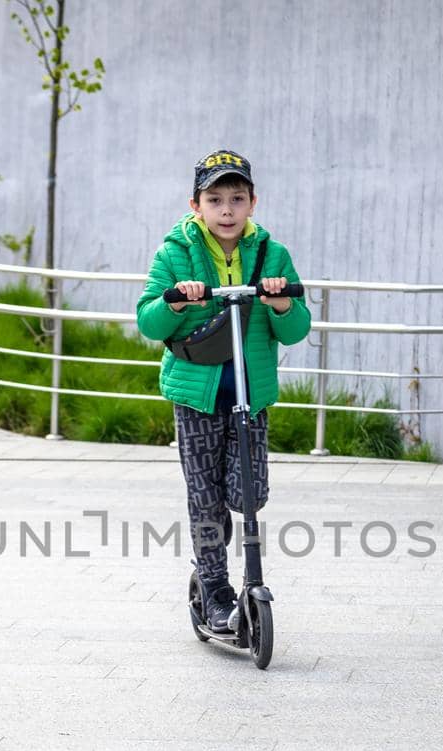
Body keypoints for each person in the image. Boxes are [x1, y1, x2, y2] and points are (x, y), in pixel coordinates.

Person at [136, 149, 311, 630]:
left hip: (249, 396)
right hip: (196, 395)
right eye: (215, 199)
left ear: (253, 202)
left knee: (248, 492)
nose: (227, 210)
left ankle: (231, 565)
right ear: (196, 205)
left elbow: (296, 329)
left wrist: (279, 303)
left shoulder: (271, 254)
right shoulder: (175, 252)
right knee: (205, 496)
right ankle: (214, 584)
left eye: (237, 198)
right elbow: (147, 319)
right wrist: (176, 301)